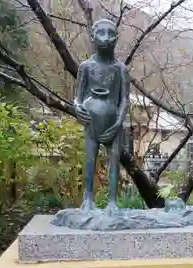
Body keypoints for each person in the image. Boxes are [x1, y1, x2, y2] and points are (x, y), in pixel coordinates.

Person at [73, 19, 130, 213]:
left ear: (117, 38)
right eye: (101, 33)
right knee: (90, 158)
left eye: (111, 33)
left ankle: (112, 202)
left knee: (113, 160)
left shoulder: (120, 69)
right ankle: (87, 198)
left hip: (113, 121)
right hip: (91, 121)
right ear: (92, 37)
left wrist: (118, 123)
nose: (106, 38)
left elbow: (125, 100)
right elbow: (77, 97)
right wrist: (77, 107)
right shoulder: (86, 67)